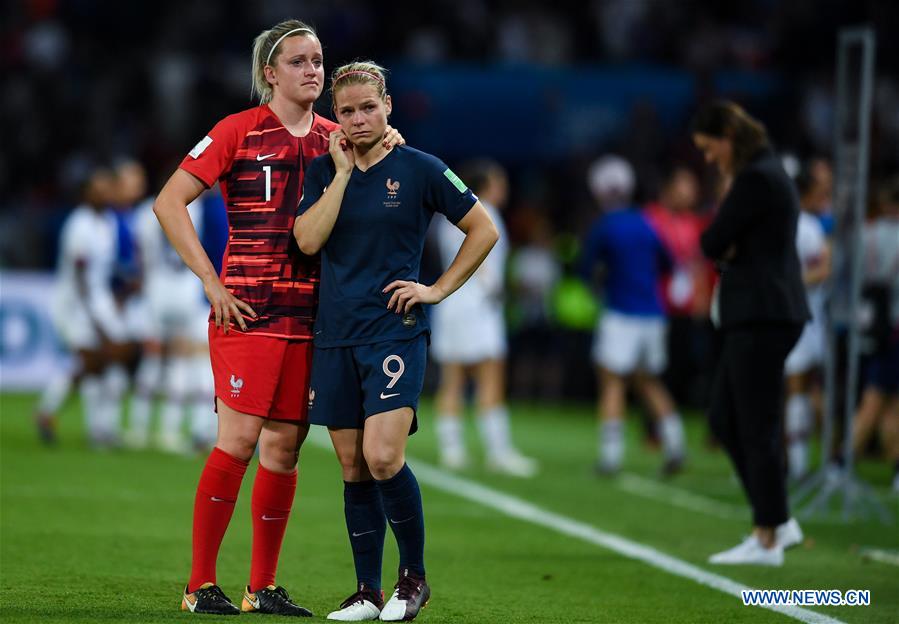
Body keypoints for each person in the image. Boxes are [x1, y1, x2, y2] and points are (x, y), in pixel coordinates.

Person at [153, 20, 402, 616]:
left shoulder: (335, 136)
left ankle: (260, 588)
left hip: (312, 318)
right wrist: (211, 283)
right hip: (249, 311)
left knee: (284, 452)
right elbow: (169, 202)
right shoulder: (236, 132)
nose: (313, 70)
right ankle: (198, 586)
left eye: (318, 60)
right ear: (270, 72)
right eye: (298, 61)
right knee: (237, 441)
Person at [294, 61, 498, 622]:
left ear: (389, 107)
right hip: (335, 335)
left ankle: (413, 580)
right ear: (334, 117)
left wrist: (436, 289)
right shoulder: (321, 171)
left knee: (383, 456)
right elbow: (307, 241)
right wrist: (339, 174)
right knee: (352, 467)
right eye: (347, 111)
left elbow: (484, 230)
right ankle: (366, 590)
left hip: (392, 330)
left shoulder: (421, 168)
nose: (358, 119)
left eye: (368, 108)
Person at [693, 101, 809, 566]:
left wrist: (727, 239)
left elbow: (711, 241)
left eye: (708, 148)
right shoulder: (767, 172)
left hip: (763, 314)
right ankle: (775, 522)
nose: (707, 159)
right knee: (725, 418)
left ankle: (770, 536)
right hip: (765, 312)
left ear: (727, 136)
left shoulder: (757, 176)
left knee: (755, 426)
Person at [580, 155, 686, 476]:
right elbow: (669, 264)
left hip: (620, 312)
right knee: (649, 381)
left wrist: (601, 287)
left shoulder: (605, 225)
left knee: (612, 382)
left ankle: (611, 457)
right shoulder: (646, 221)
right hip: (653, 313)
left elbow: (586, 269)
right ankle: (675, 443)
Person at [431, 159, 537, 477]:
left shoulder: (448, 215)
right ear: (486, 185)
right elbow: (484, 260)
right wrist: (497, 291)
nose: (503, 188)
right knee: (490, 377)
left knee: (453, 380)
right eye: (499, 182)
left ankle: (452, 450)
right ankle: (498, 451)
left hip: (450, 304)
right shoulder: (485, 211)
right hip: (477, 306)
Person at [43, 165, 130, 448]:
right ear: (85, 194)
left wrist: (129, 282)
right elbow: (80, 278)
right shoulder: (78, 226)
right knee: (92, 361)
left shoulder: (108, 222)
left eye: (107, 189)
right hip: (75, 303)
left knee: (108, 362)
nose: (103, 194)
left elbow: (105, 267)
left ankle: (96, 426)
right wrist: (95, 320)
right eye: (98, 189)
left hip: (99, 298)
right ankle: (95, 429)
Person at [783, 161, 832, 481]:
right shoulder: (801, 225)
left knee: (798, 389)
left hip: (800, 319)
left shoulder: (805, 226)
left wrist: (788, 281)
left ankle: (800, 464)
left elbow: (823, 269)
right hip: (803, 318)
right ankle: (826, 456)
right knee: (805, 389)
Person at [850, 177, 899, 494]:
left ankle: (895, 468)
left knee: (885, 398)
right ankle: (844, 459)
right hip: (895, 324)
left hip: (869, 321)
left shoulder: (865, 234)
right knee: (879, 398)